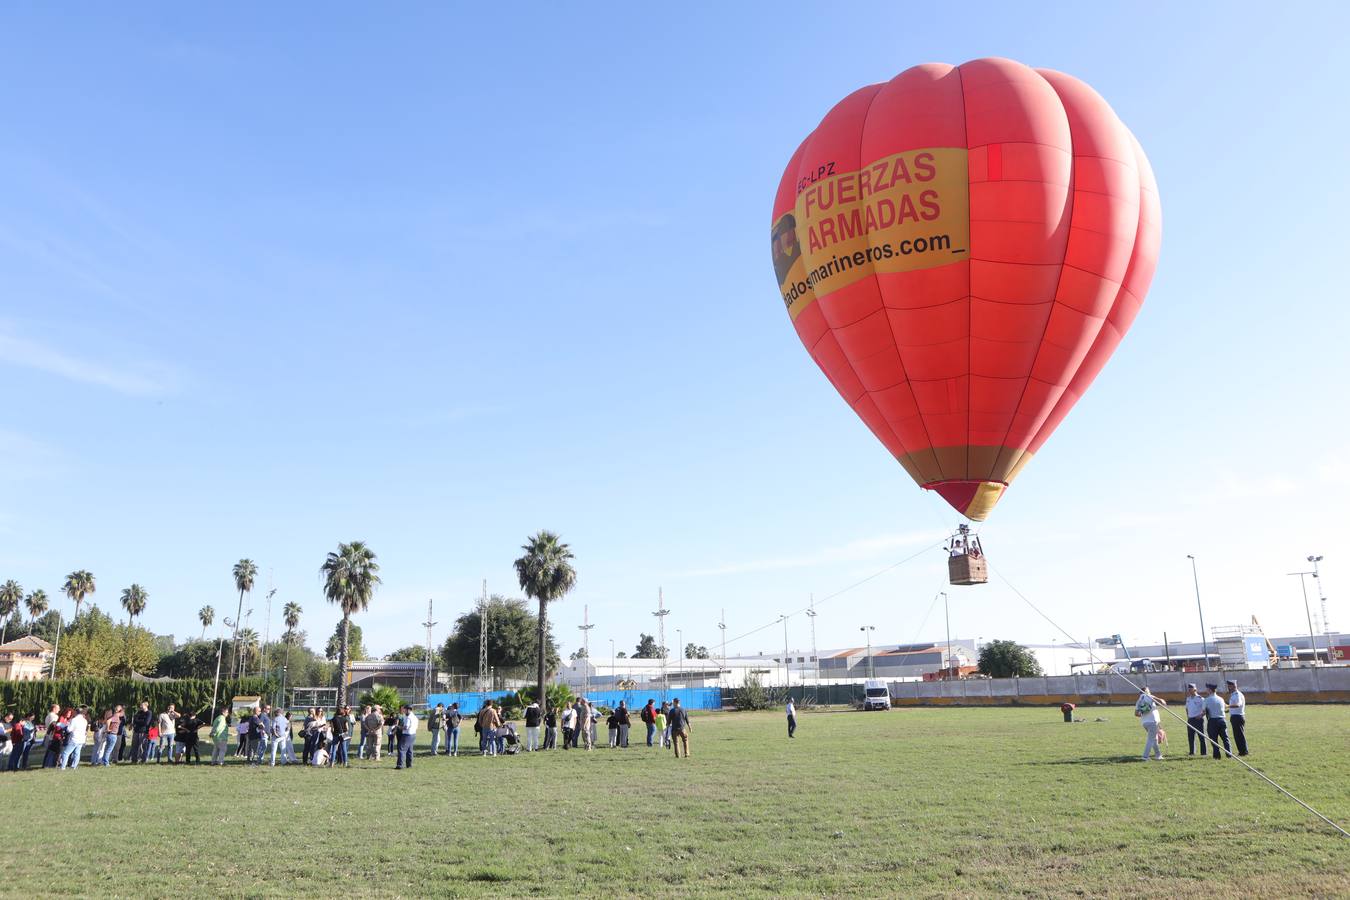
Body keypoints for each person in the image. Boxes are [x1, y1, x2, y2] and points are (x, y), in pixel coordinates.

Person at [1134, 687, 1166, 761]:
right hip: (1152, 722)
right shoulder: (1149, 696)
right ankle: (1145, 756)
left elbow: (1136, 714)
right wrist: (1162, 700)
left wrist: (1143, 711)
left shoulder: (1139, 700)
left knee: (1154, 739)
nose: (1150, 692)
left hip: (1145, 722)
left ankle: (1158, 755)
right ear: (1145, 691)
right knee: (1151, 739)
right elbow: (1160, 701)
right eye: (1148, 691)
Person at [1202, 684, 1231, 759]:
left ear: (1210, 690)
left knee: (1214, 739)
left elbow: (1204, 711)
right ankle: (1229, 754)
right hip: (1222, 720)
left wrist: (1199, 716)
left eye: (1207, 689)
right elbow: (1225, 708)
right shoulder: (1221, 699)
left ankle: (1217, 756)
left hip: (1213, 721)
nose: (1206, 690)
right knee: (1225, 738)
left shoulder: (1207, 700)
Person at [1183, 684, 1207, 757]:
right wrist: (1188, 717)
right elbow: (1186, 708)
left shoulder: (1201, 699)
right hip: (1190, 719)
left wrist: (1200, 716)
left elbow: (1205, 710)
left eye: (1191, 689)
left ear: (1195, 689)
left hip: (1199, 720)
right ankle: (1192, 752)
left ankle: (1203, 753)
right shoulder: (1188, 699)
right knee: (1191, 737)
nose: (1189, 691)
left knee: (1201, 736)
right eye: (1189, 689)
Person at [1226, 680, 1248, 756]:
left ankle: (1243, 752)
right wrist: (1228, 710)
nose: (1228, 688)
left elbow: (1238, 704)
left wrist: (1227, 706)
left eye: (1229, 686)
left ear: (1233, 686)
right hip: (1235, 716)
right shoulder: (1233, 694)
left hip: (1237, 717)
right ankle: (1242, 751)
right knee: (1238, 735)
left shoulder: (1237, 694)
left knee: (1239, 736)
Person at [395, 704, 417, 769]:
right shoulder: (414, 716)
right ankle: (409, 764)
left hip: (407, 735)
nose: (403, 710)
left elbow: (406, 727)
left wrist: (398, 727)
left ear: (408, 710)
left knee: (401, 749)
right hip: (413, 734)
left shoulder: (408, 717)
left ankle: (400, 765)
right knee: (409, 750)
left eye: (404, 709)